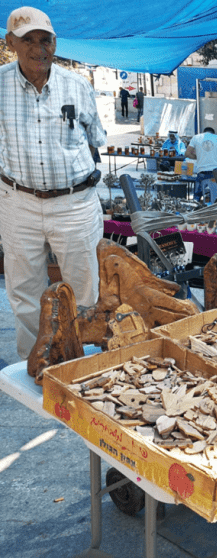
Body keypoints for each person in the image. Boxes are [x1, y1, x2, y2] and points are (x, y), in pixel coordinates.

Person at [0, 6, 107, 359]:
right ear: (10, 43)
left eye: (45, 40)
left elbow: (96, 139)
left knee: (85, 290)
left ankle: (83, 366)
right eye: (27, 40)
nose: (38, 48)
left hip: (74, 203)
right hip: (18, 202)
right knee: (24, 292)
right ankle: (34, 365)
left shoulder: (77, 85)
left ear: (55, 44)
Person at [184, 126, 217, 202]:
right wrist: (216, 159)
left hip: (201, 171)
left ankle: (196, 207)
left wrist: (198, 157)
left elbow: (187, 153)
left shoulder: (196, 138)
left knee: (196, 199)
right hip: (215, 173)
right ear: (213, 133)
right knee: (215, 198)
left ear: (203, 132)